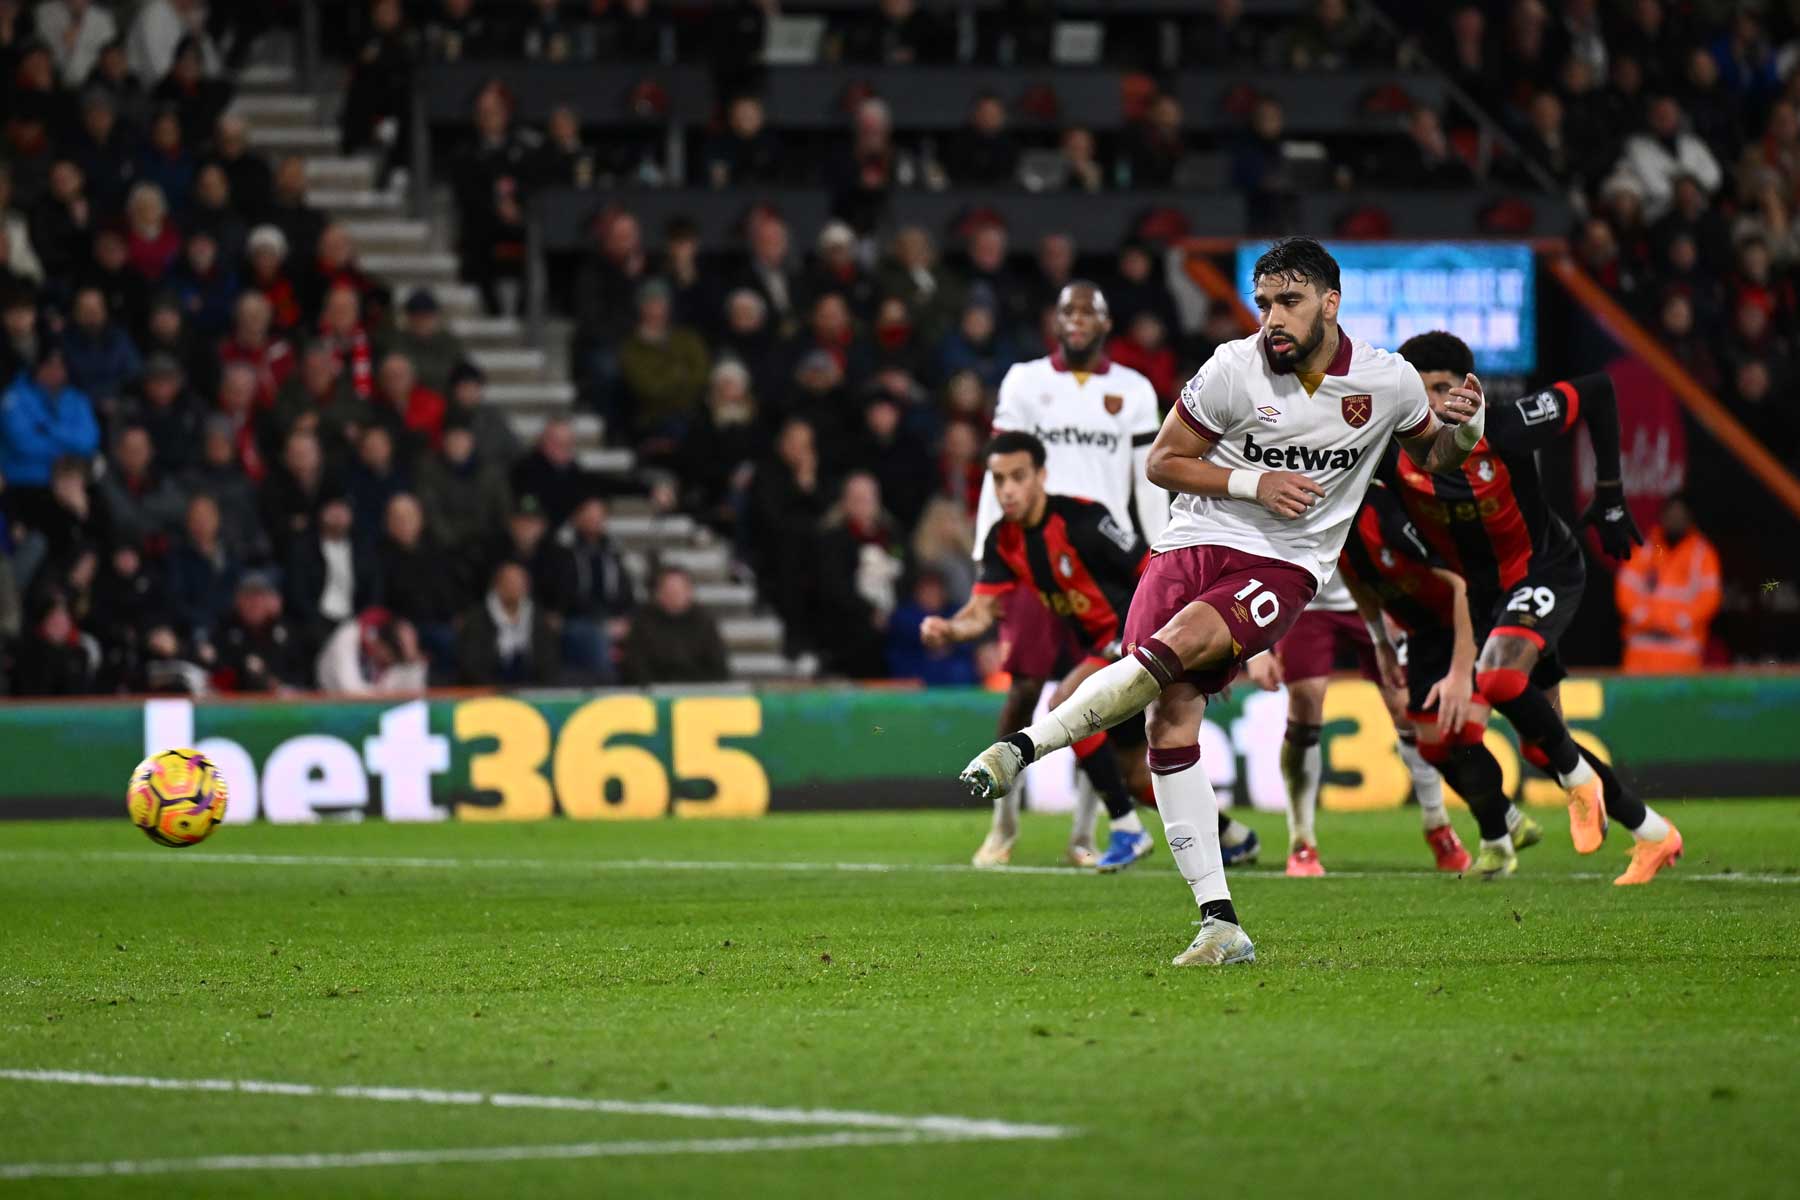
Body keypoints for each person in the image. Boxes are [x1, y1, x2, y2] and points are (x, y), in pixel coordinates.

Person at [958, 237, 1482, 966]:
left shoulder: (1386, 382)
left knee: (1164, 656)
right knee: (1166, 717)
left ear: (1330, 304)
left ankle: (1023, 748)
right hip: (1189, 541)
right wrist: (1251, 483)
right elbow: (1164, 461)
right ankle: (1219, 923)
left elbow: (1434, 457)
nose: (1272, 317)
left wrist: (1469, 428)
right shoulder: (1234, 369)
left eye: (1289, 302)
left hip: (1285, 562)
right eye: (1264, 302)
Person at [1392, 332, 1683, 886]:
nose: (1433, 405)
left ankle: (1580, 784)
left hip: (1543, 571)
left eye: (1443, 390)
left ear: (1468, 389)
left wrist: (1612, 491)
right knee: (1542, 738)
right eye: (1421, 391)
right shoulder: (1390, 452)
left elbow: (1597, 390)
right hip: (1484, 600)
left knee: (1500, 678)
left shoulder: (1505, 425)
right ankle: (1652, 833)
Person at [966, 280, 1168, 869]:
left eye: (1089, 311)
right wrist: (988, 554)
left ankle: (1084, 835)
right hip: (1032, 554)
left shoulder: (1132, 390)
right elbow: (997, 470)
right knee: (1025, 689)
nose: (1077, 320)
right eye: (1068, 311)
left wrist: (1160, 563)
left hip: (1100, 561)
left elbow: (1147, 481)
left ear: (1106, 323)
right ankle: (1002, 825)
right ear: (1054, 321)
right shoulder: (1026, 381)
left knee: (1090, 696)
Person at [925, 432, 1156, 872]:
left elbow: (1151, 568)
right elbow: (982, 610)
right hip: (1099, 643)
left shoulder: (1083, 520)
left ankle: (1125, 827)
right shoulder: (1003, 539)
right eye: (998, 480)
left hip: (1135, 634)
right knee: (1138, 765)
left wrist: (1175, 633)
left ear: (1041, 476)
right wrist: (950, 630)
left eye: (1017, 477)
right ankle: (1229, 836)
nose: (1007, 489)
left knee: (1062, 702)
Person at [1337, 480, 1543, 879]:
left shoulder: (1386, 514)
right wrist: (1380, 641)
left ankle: (1497, 842)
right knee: (1431, 746)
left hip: (1470, 617)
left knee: (1462, 729)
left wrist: (1460, 673)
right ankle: (1508, 818)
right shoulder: (1332, 525)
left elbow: (1460, 582)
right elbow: (1355, 582)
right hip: (1424, 630)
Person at [1243, 560, 1474, 876]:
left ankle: (1438, 825)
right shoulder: (1273, 505)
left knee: (1406, 708)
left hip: (1372, 597)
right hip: (1302, 598)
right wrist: (1254, 649)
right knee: (1305, 700)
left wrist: (1399, 597)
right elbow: (1253, 545)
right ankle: (1301, 840)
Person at [1615, 493, 1721, 673]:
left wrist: (1678, 620)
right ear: (1662, 517)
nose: (1675, 520)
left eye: (1680, 516)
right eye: (1671, 515)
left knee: (1681, 701)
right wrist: (1647, 617)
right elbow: (1625, 591)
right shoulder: (1644, 550)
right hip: (1641, 655)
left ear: (1689, 519)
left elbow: (1710, 598)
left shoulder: (1702, 554)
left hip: (1682, 655)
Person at [620, 565, 730, 685]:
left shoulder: (705, 623)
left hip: (698, 694)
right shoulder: (642, 623)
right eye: (668, 590)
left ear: (689, 592)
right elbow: (636, 666)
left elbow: (718, 666)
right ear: (658, 593)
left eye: (678, 590)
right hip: (654, 694)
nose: (674, 595)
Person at [455, 560, 558, 685]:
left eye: (521, 583)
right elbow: (471, 665)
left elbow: (548, 660)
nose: (517, 587)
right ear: (498, 585)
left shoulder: (537, 617)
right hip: (489, 689)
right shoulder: (477, 619)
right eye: (511, 582)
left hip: (531, 687)